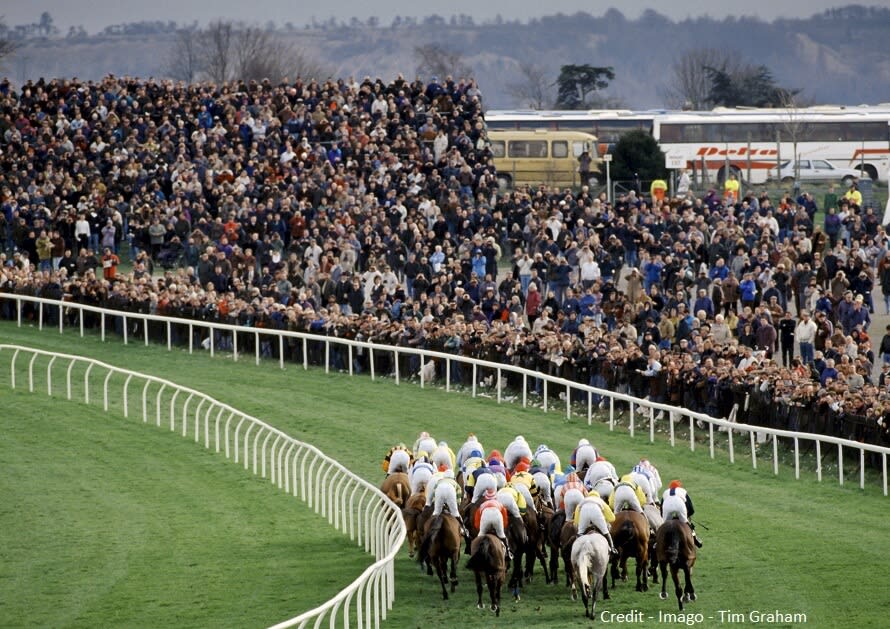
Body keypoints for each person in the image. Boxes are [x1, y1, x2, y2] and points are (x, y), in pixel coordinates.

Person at [661, 479, 703, 547]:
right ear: (679, 487)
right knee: (686, 524)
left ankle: (658, 542)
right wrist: (686, 516)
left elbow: (661, 508)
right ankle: (695, 538)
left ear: (670, 487)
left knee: (664, 526)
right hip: (679, 504)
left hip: (667, 505)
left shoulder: (665, 492)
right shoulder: (683, 491)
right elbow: (691, 509)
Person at [475, 487, 512, 559]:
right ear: (495, 497)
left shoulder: (481, 506)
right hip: (497, 515)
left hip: (485, 515)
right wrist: (500, 529)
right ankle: (508, 552)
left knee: (479, 536)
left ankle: (476, 553)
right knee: (502, 535)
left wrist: (482, 530)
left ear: (485, 498)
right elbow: (505, 521)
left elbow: (477, 523)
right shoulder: (500, 504)